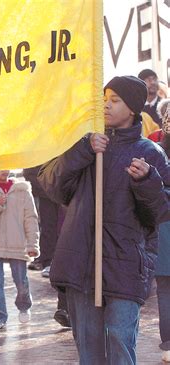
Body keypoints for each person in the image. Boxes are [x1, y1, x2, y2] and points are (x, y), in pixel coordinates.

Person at [38, 76, 170, 364]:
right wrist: (82, 151)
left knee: (120, 339)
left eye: (114, 100)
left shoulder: (150, 153)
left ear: (133, 108)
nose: (106, 105)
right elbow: (51, 185)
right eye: (104, 98)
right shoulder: (85, 145)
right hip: (81, 262)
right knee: (89, 346)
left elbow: (160, 211)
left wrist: (147, 180)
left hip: (126, 263)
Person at [0, 169, 39, 330]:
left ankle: (24, 305)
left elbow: (31, 219)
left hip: (18, 245)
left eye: (7, 167)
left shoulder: (23, 191)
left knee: (21, 282)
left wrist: (33, 244)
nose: (4, 171)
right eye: (1, 167)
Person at [153, 98, 170, 362]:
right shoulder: (154, 150)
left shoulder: (154, 151)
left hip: (161, 224)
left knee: (165, 288)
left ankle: (168, 343)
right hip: (162, 225)